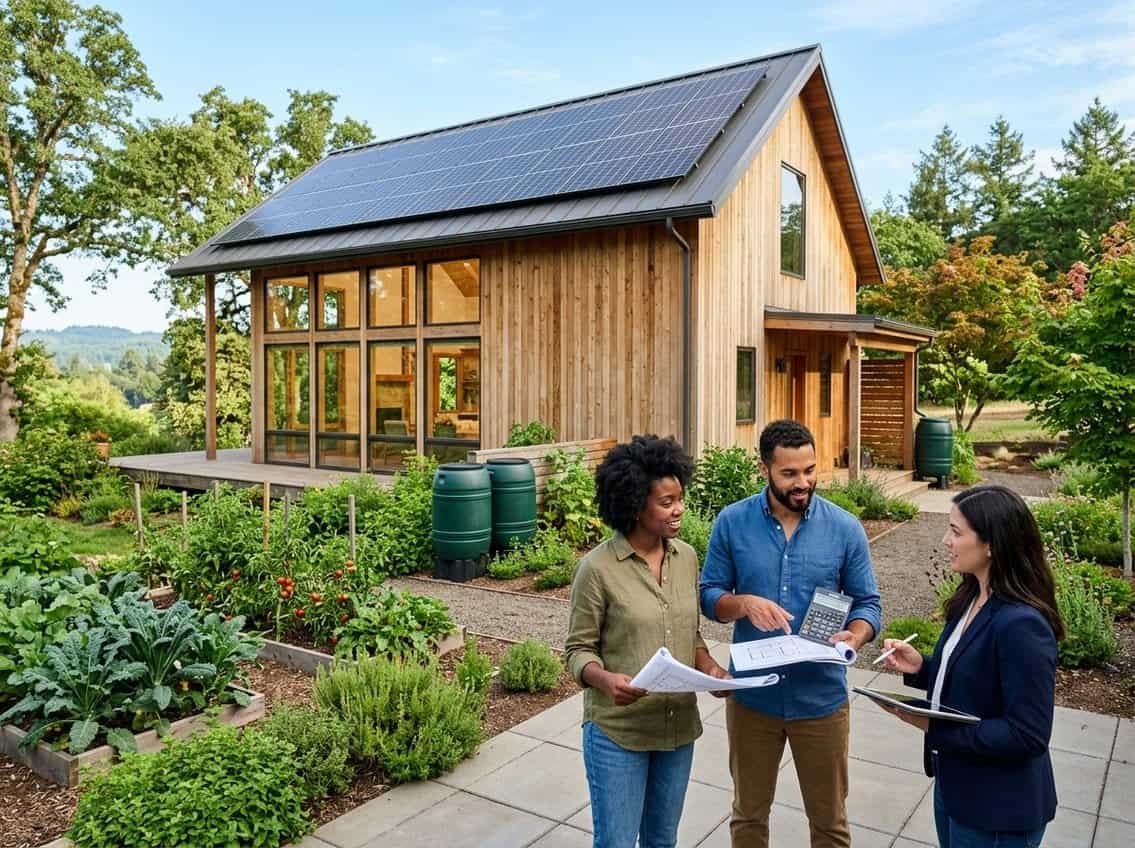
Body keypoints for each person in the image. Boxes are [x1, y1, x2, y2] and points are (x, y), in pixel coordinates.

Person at [699, 419, 882, 848]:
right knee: (747, 818)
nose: (803, 483)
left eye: (810, 470)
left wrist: (854, 636)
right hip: (752, 700)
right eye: (789, 474)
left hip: (820, 701)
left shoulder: (845, 528)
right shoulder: (732, 522)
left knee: (830, 825)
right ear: (765, 470)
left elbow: (868, 605)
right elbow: (709, 595)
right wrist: (742, 603)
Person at [565, 434, 730, 848]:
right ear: (636, 505)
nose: (679, 510)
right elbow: (577, 651)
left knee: (662, 841)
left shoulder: (687, 557)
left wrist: (710, 670)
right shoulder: (597, 569)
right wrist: (606, 681)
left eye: (680, 498)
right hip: (618, 733)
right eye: (666, 502)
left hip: (676, 730)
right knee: (617, 843)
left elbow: (687, 633)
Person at [878, 484, 1063, 848]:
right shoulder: (971, 597)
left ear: (991, 544)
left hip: (998, 810)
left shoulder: (1022, 625)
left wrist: (932, 726)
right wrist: (921, 668)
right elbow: (975, 681)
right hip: (956, 786)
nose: (946, 540)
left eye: (956, 532)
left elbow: (1028, 734)